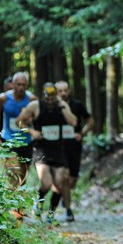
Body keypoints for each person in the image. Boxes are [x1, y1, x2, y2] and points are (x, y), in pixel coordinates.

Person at [15, 83, 78, 224]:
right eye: (47, 98)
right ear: (43, 96)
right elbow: (18, 121)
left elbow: (73, 121)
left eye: (52, 98)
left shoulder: (61, 105)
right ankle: (39, 204)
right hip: (41, 149)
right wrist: (32, 131)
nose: (49, 101)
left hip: (58, 150)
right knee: (46, 183)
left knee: (60, 184)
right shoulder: (35, 106)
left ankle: (50, 214)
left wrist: (62, 106)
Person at [0, 72, 37, 219]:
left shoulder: (32, 99)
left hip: (26, 141)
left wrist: (32, 122)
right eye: (18, 84)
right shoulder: (4, 98)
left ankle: (19, 209)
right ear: (13, 84)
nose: (21, 87)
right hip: (8, 139)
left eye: (23, 85)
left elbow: (39, 115)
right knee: (12, 170)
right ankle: (13, 210)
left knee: (23, 176)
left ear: (27, 85)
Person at [52, 80, 94, 222]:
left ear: (69, 91)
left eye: (65, 90)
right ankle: (66, 208)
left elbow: (90, 121)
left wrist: (81, 134)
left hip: (74, 146)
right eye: (60, 91)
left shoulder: (77, 105)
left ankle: (65, 195)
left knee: (71, 180)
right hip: (57, 147)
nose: (63, 93)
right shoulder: (51, 107)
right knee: (61, 177)